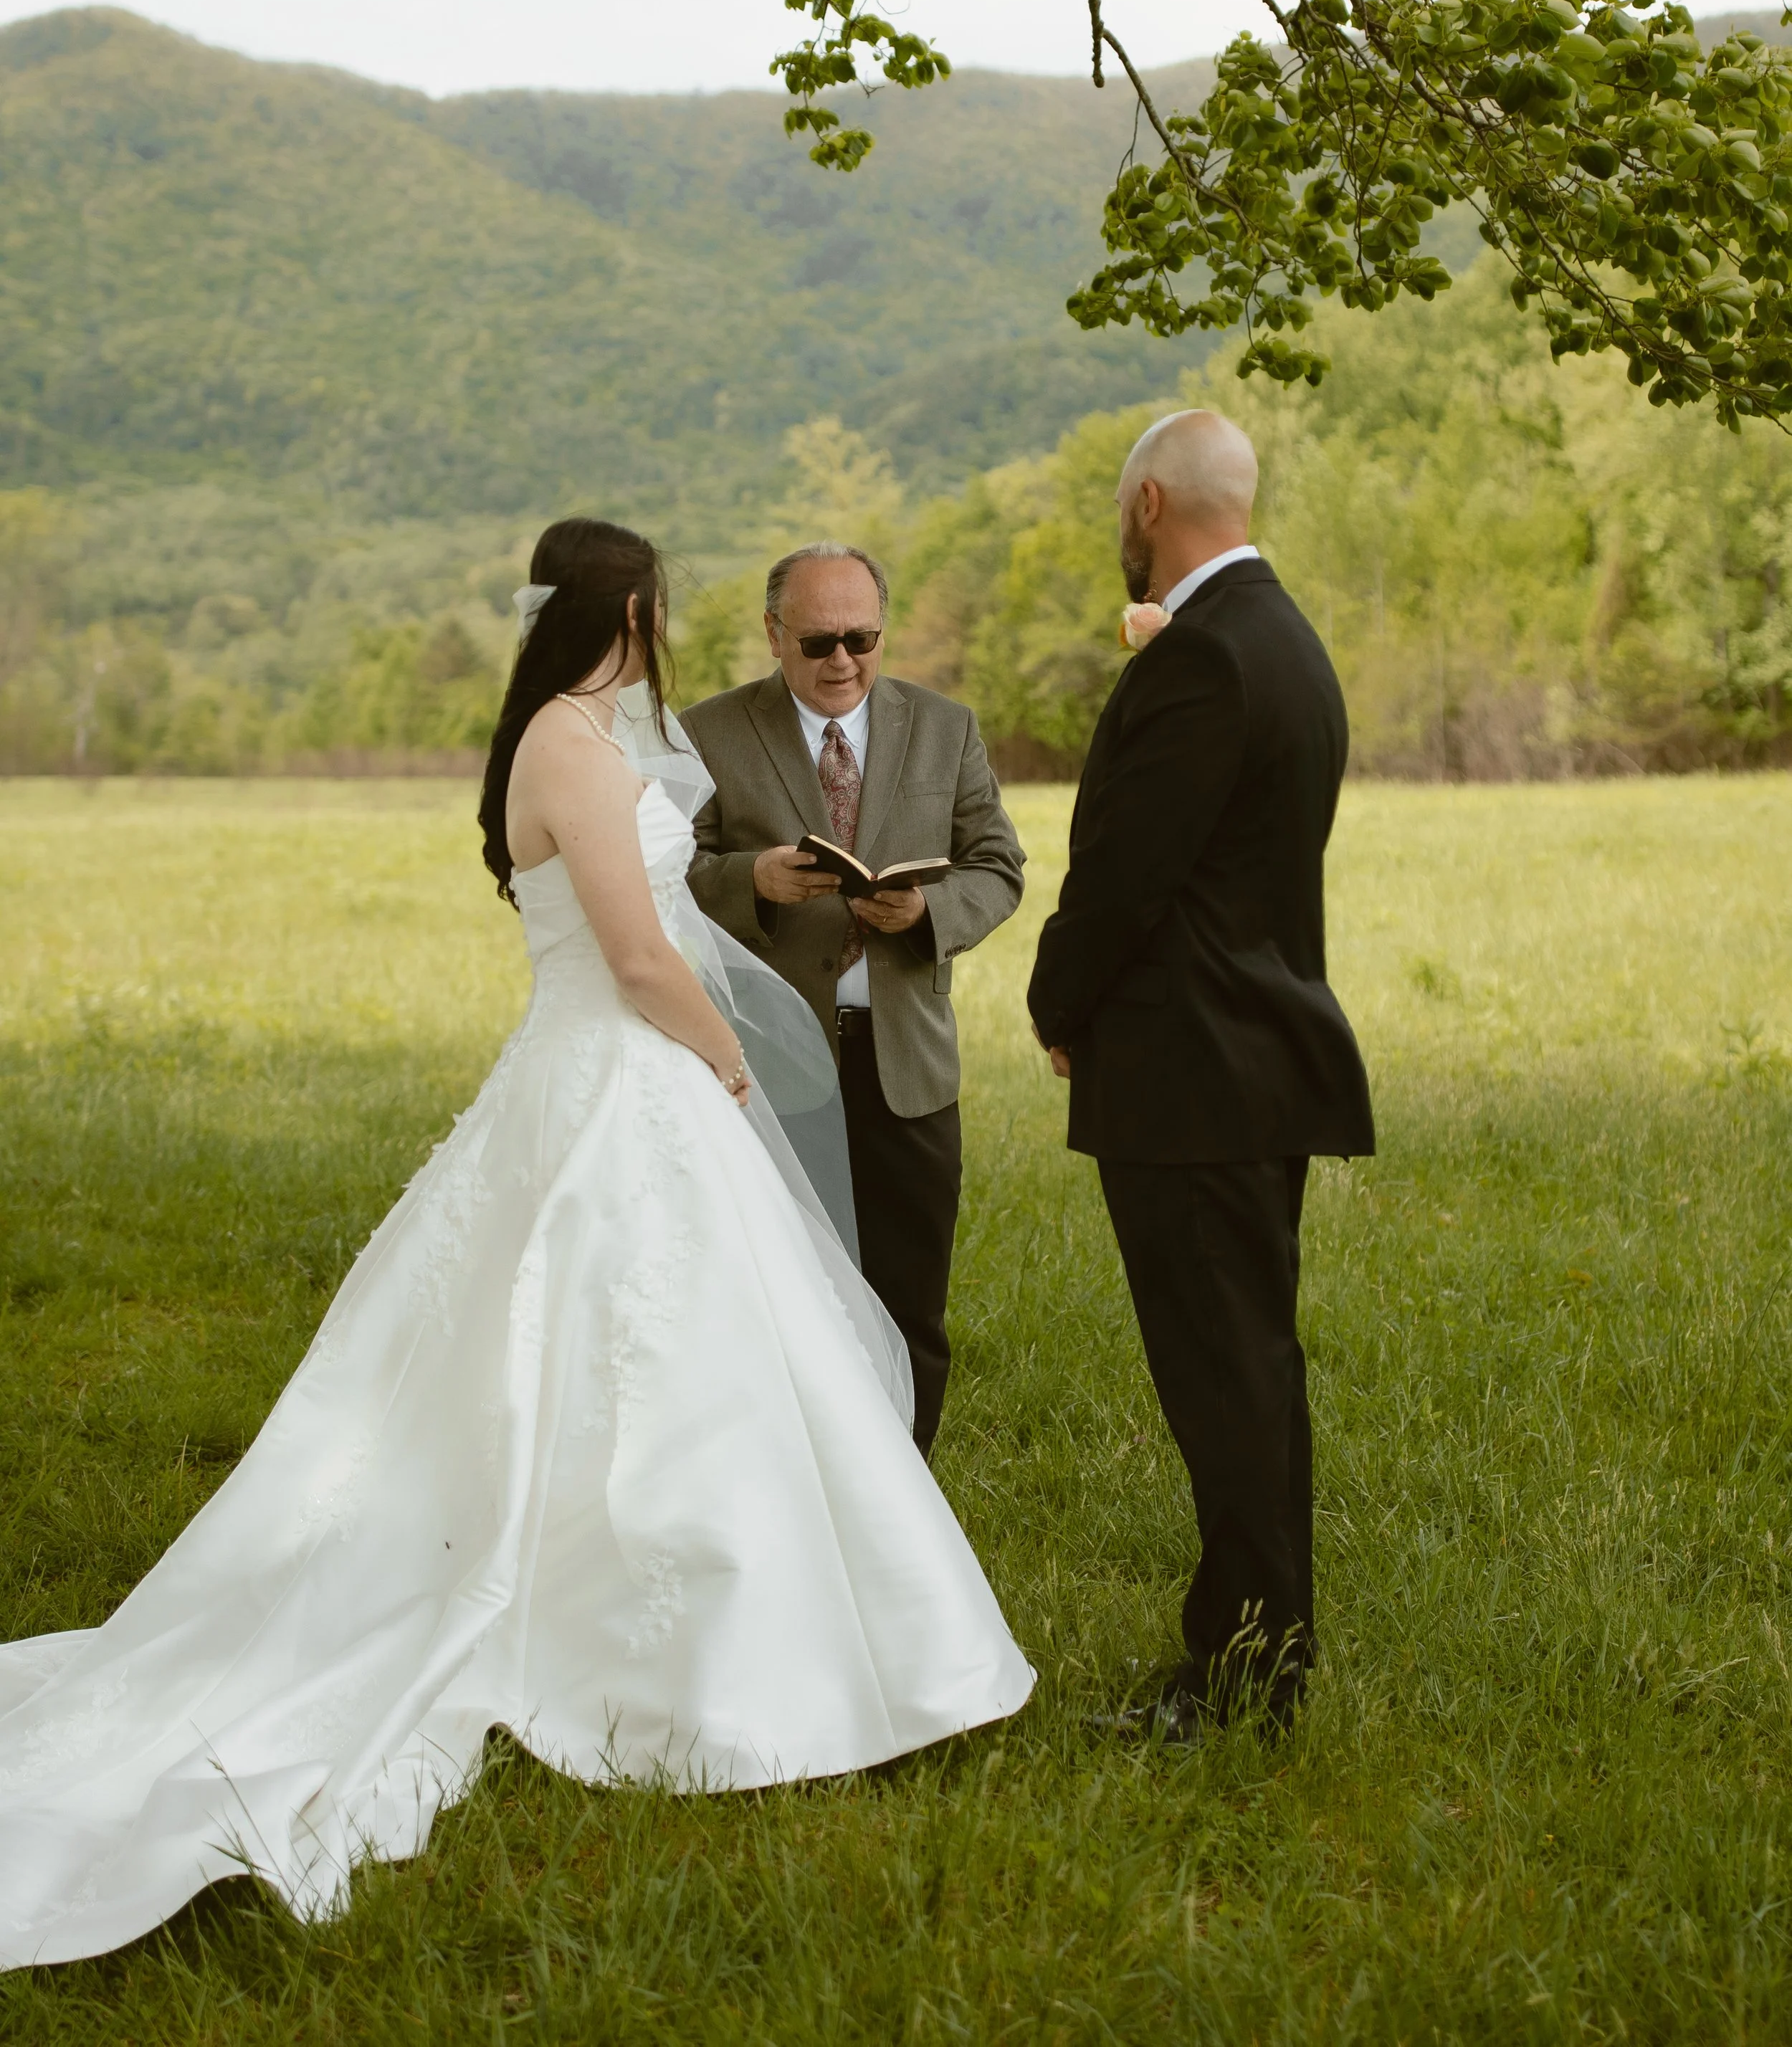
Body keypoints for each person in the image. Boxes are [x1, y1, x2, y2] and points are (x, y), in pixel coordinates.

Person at [0, 518, 1031, 1969]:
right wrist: (725, 1068)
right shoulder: (563, 742)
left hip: (622, 1071)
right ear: (627, 607)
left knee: (708, 1357)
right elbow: (630, 953)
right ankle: (660, 1640)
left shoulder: (585, 730)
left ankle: (754, 1613)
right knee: (617, 1336)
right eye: (654, 606)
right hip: (611, 1076)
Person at [1026, 413, 1374, 1737]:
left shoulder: (1208, 658)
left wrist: (1059, 1000)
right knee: (1250, 1370)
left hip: (1194, 1074)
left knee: (1223, 1381)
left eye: (1124, 516)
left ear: (1152, 502)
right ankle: (1264, 1649)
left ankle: (1241, 1677)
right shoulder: (1286, 641)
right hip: (1254, 1062)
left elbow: (1128, 874)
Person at [682, 543, 1025, 1456]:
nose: (841, 662)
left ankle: (906, 1496)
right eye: (818, 642)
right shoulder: (708, 731)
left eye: (861, 640)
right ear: (772, 635)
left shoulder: (944, 728)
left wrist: (924, 912)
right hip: (766, 1066)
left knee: (910, 1302)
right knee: (781, 1296)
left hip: (906, 1064)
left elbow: (999, 867)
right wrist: (748, 880)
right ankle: (793, 1482)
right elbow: (657, 872)